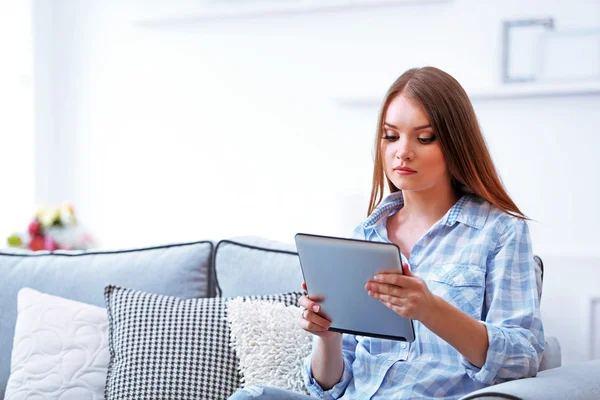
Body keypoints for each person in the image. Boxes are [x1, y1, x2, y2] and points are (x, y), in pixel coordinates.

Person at [228, 66, 544, 400]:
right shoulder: (365, 236)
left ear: (456, 144)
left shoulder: (499, 231)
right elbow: (327, 387)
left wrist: (430, 310)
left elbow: (522, 360)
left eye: (424, 138)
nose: (402, 151)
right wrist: (328, 337)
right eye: (391, 136)